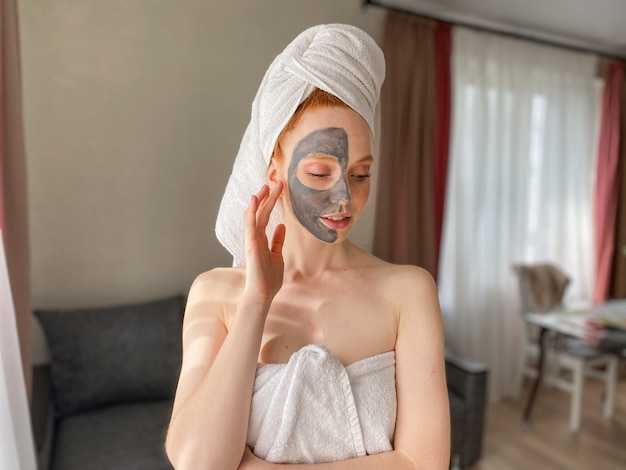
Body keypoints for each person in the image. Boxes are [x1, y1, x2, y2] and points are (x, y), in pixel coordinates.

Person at [165, 24, 450, 469]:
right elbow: (197, 463)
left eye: (360, 175)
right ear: (273, 168)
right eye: (319, 174)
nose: (344, 199)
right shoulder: (216, 294)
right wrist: (257, 301)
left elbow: (422, 463)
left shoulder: (408, 292)